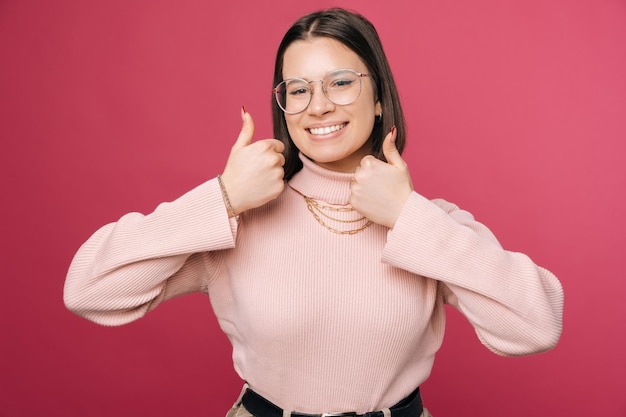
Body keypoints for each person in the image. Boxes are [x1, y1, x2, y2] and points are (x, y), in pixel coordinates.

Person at [64, 8, 564, 417]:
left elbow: (536, 325)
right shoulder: (238, 218)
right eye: (298, 90)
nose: (317, 106)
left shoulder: (428, 224)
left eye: (340, 82)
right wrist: (221, 197)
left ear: (378, 99)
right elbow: (90, 290)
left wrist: (410, 217)